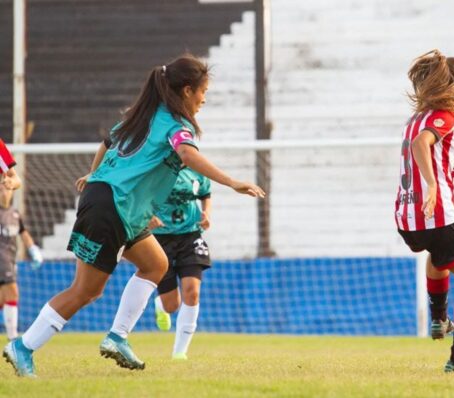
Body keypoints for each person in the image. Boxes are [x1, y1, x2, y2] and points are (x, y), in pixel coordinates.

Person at [3, 54, 265, 378]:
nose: (204, 98)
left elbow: (107, 143)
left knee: (156, 263)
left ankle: (117, 337)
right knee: (86, 291)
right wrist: (232, 182)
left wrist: (94, 175)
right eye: (203, 91)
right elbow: (185, 153)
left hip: (113, 203)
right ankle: (23, 347)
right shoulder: (176, 125)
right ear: (186, 90)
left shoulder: (142, 116)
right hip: (112, 206)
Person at [394, 50, 454, 373]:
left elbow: (425, 144)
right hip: (438, 215)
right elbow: (422, 144)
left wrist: (452, 150)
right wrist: (433, 185)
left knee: (439, 255)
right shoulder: (444, 117)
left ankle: (438, 319)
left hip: (409, 219)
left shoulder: (415, 119)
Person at [148, 167, 212, 360]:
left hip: (190, 235)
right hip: (160, 239)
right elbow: (137, 196)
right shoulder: (154, 168)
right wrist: (147, 216)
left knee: (192, 291)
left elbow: (205, 193)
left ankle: (180, 352)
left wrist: (206, 213)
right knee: (171, 306)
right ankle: (161, 305)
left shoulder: (197, 169)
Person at [0, 184, 44, 341]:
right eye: (0, 189)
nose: (4, 191)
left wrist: (33, 250)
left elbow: (23, 233)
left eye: (7, 188)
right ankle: (13, 338)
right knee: (13, 293)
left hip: (10, 259)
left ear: (12, 192)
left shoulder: (14, 214)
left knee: (3, 299)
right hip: (2, 260)